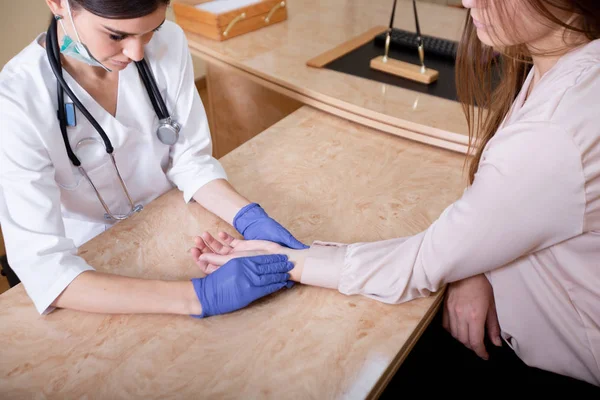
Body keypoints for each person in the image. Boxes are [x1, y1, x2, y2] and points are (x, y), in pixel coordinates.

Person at [191, 0, 600, 389]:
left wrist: (287, 262)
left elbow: (422, 262)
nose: (469, 2)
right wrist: (475, 264)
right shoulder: (558, 62)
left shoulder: (556, 129)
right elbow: (509, 203)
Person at [0, 0, 306, 318]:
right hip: (91, 259)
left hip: (174, 225)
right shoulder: (17, 99)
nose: (136, 53)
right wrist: (198, 297)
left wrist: (249, 217)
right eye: (116, 35)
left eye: (150, 30)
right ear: (58, 4)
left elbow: (189, 160)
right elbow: (46, 270)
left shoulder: (168, 41)